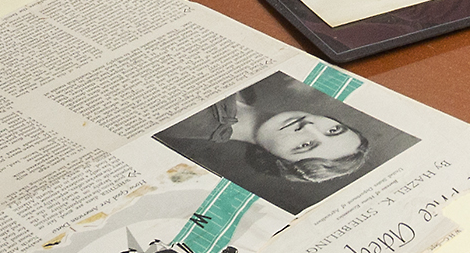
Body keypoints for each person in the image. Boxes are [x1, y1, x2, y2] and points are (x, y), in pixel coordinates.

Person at [158, 76, 377, 199]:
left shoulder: (195, 121)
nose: (309, 126)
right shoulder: (247, 93)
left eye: (307, 145)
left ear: (279, 162)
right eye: (333, 130)